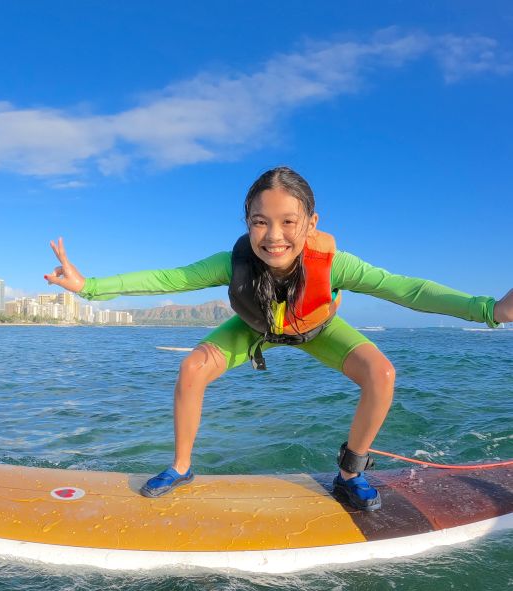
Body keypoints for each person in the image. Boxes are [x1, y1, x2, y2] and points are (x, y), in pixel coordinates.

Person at [43, 166, 513, 511]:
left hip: (318, 330)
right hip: (255, 328)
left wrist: (490, 310)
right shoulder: (233, 261)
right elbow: (169, 278)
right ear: (247, 222)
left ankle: (350, 473)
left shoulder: (337, 264)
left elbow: (407, 290)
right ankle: (182, 467)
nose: (274, 235)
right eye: (259, 221)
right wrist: (90, 288)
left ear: (310, 221)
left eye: (288, 221)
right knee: (193, 368)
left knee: (381, 373)